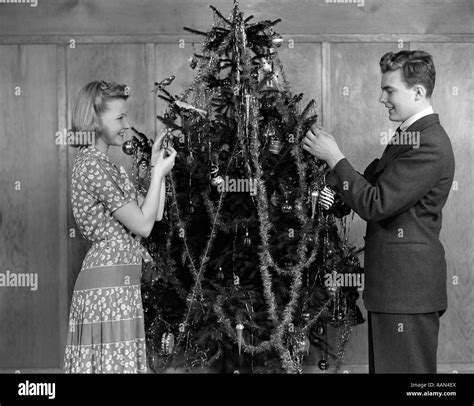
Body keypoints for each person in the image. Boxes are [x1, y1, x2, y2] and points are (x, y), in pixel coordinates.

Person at [302, 50, 455, 373]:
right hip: (395, 291)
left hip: (407, 292)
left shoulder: (428, 142)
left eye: (389, 90)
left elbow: (376, 203)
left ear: (417, 92)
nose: (382, 98)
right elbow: (370, 189)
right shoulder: (409, 136)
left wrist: (335, 158)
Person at [64, 80, 177, 373]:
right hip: (107, 289)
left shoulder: (109, 166)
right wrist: (157, 176)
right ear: (94, 120)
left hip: (120, 286)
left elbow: (154, 214)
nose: (127, 125)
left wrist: (157, 170)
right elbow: (142, 226)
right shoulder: (92, 165)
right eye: (119, 118)